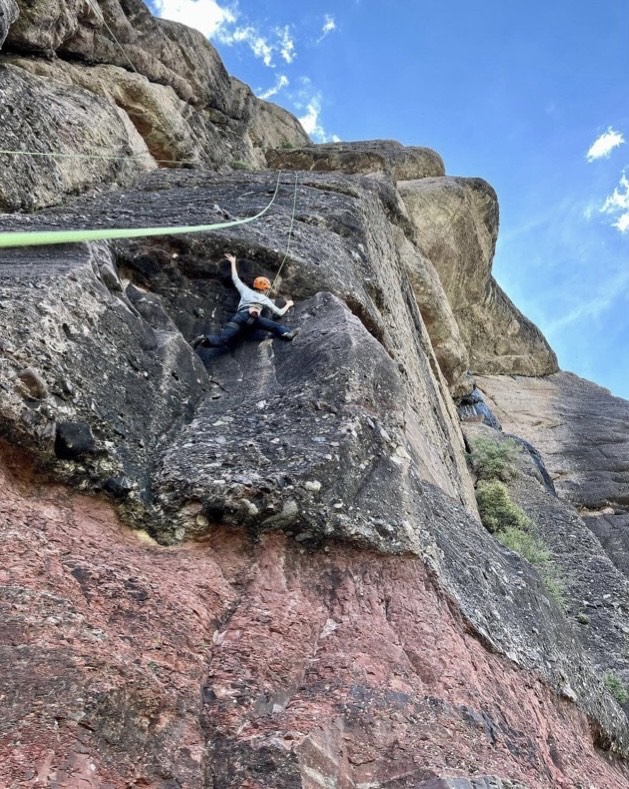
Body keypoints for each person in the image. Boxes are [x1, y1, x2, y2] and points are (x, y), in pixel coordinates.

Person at [192, 253, 299, 349]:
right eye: (267, 288)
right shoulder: (265, 299)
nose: (268, 290)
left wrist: (233, 262)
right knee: (275, 326)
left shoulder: (245, 291)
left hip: (238, 318)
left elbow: (235, 278)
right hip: (253, 318)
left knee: (222, 339)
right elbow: (279, 313)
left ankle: (204, 339)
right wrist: (288, 305)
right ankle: (287, 333)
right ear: (264, 289)